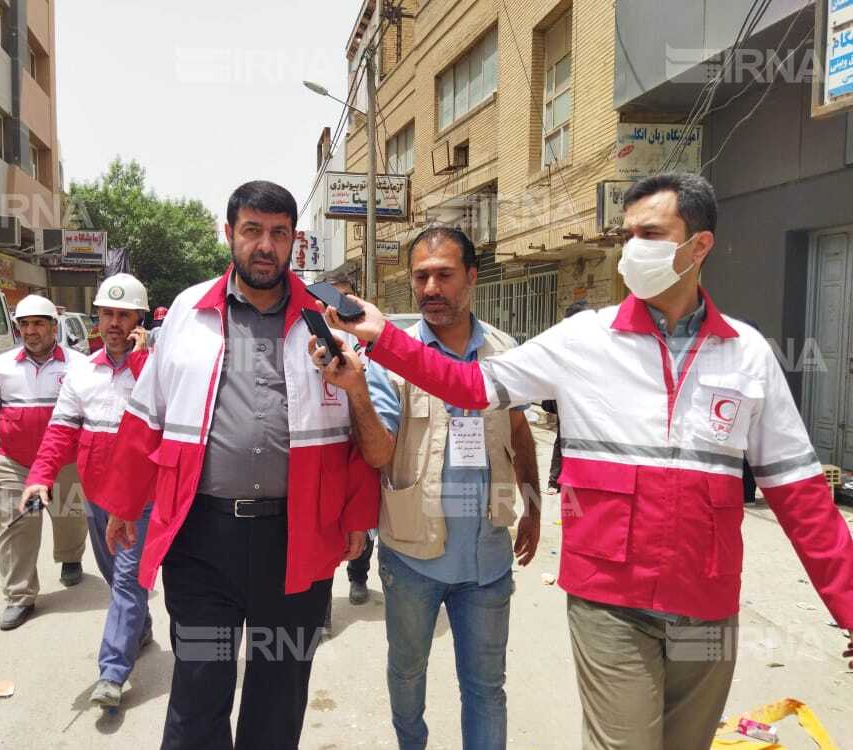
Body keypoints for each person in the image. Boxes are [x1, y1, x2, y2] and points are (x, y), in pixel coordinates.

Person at [316, 173, 853, 750]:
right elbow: (470, 385)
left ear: (699, 246)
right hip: (609, 602)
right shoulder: (583, 341)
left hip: (707, 601)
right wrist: (384, 338)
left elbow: (802, 499)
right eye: (627, 234)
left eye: (651, 233)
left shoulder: (747, 355)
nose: (632, 249)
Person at [96, 181, 379, 750]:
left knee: (280, 691)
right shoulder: (188, 311)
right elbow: (148, 411)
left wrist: (356, 518)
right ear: (230, 235)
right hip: (203, 538)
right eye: (252, 231)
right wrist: (125, 503)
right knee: (199, 687)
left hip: (296, 535)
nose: (265, 246)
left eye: (278, 234)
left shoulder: (326, 319)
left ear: (294, 242)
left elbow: (354, 426)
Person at [318, 227, 540, 749]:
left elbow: (520, 431)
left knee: (487, 688)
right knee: (407, 676)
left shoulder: (504, 352)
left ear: (472, 277)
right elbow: (377, 454)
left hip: (487, 560)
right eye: (422, 276)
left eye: (445, 274)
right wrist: (357, 394)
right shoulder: (390, 357)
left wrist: (531, 505)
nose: (431, 287)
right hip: (412, 556)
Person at [20, 274, 153, 708]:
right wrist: (40, 476)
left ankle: (112, 673)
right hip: (97, 497)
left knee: (129, 577)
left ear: (138, 320)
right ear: (97, 318)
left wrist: (139, 361)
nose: (114, 323)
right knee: (117, 576)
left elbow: (163, 416)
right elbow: (60, 432)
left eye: (123, 314)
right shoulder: (81, 372)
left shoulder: (155, 370)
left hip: (138, 500)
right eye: (107, 314)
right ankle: (140, 626)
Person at [0, 294, 89, 631]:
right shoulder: (1, 366)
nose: (31, 331)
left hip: (65, 462)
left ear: (54, 327)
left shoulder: (79, 365)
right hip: (14, 463)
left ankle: (70, 557)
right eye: (24, 324)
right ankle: (19, 596)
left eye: (38, 324)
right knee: (16, 526)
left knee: (69, 516)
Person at [322, 269, 374, 614]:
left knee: (362, 522)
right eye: (331, 299)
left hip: (364, 441)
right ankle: (321, 606)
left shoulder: (371, 340)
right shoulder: (313, 339)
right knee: (323, 525)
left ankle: (359, 576)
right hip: (326, 446)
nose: (337, 306)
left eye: (344, 298)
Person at [543, 300, 590, 494]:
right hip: (567, 398)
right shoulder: (562, 342)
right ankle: (555, 481)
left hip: (585, 398)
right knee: (563, 437)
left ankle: (571, 479)